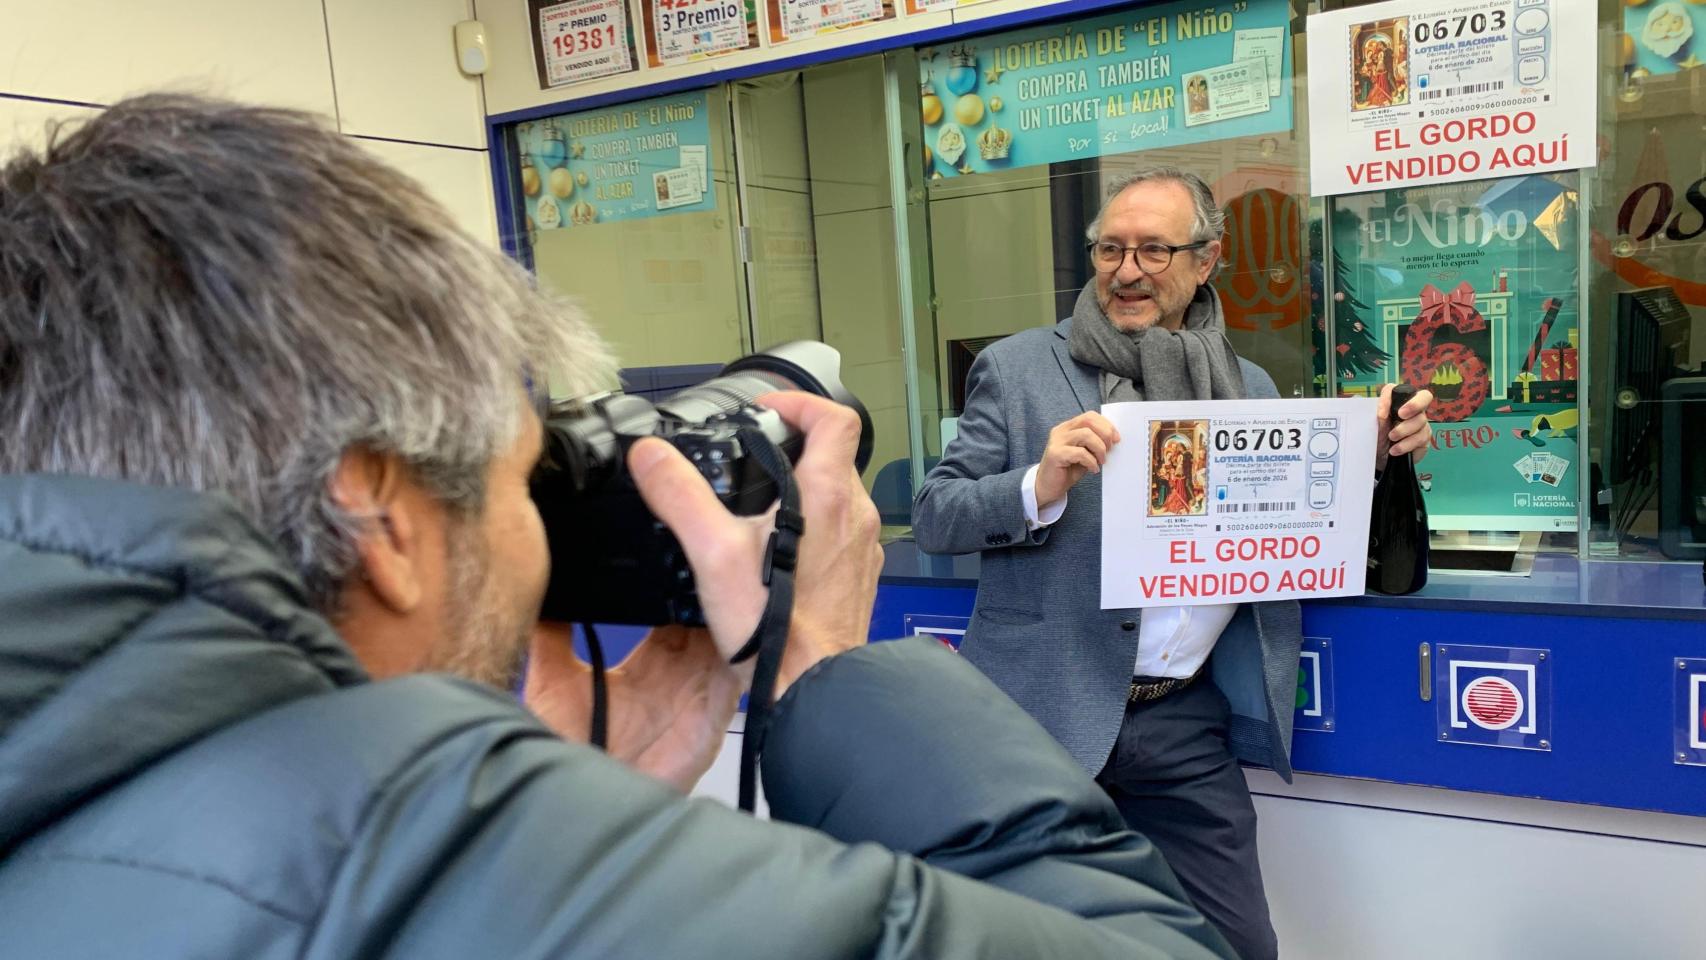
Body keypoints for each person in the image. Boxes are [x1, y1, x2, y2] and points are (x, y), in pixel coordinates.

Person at [0, 95, 1236, 959]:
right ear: (382, 516)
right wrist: (827, 664)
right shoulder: (530, 894)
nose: (537, 537)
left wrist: (563, 794)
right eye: (524, 475)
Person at [912, 168, 1434, 960]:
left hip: (1181, 723)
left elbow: (1291, 527)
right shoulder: (1018, 369)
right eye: (1111, 250)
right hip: (1040, 712)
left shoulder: (1249, 387)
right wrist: (1036, 483)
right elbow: (934, 515)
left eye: (1155, 251)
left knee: (1238, 944)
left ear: (1207, 259)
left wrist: (1376, 457)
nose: (1127, 271)